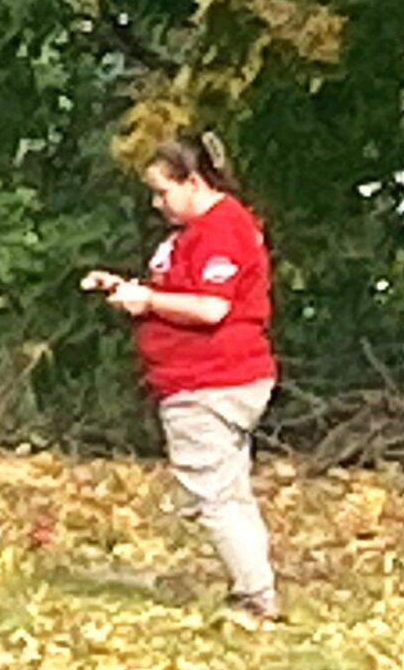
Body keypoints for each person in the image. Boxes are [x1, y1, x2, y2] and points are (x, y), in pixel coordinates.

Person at [85, 134, 282, 622]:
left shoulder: (222, 230)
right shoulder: (199, 231)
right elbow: (181, 290)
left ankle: (256, 598)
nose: (157, 203)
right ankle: (255, 586)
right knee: (229, 490)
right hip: (205, 379)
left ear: (194, 182)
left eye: (163, 191)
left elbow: (212, 307)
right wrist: (131, 290)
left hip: (211, 381)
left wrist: (148, 302)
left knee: (211, 494)